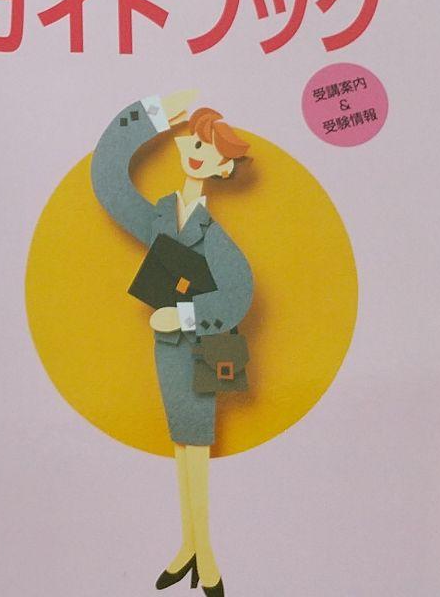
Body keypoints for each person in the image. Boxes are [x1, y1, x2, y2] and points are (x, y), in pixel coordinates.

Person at [91, 90, 253, 596]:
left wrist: (183, 315)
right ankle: (188, 546)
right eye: (196, 141)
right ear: (184, 143)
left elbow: (239, 293)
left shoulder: (214, 236)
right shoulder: (160, 218)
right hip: (165, 350)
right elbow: (108, 181)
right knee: (181, 443)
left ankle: (207, 557)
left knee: (196, 445)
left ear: (224, 168)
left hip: (199, 350)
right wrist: (150, 115)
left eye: (213, 150)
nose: (199, 153)